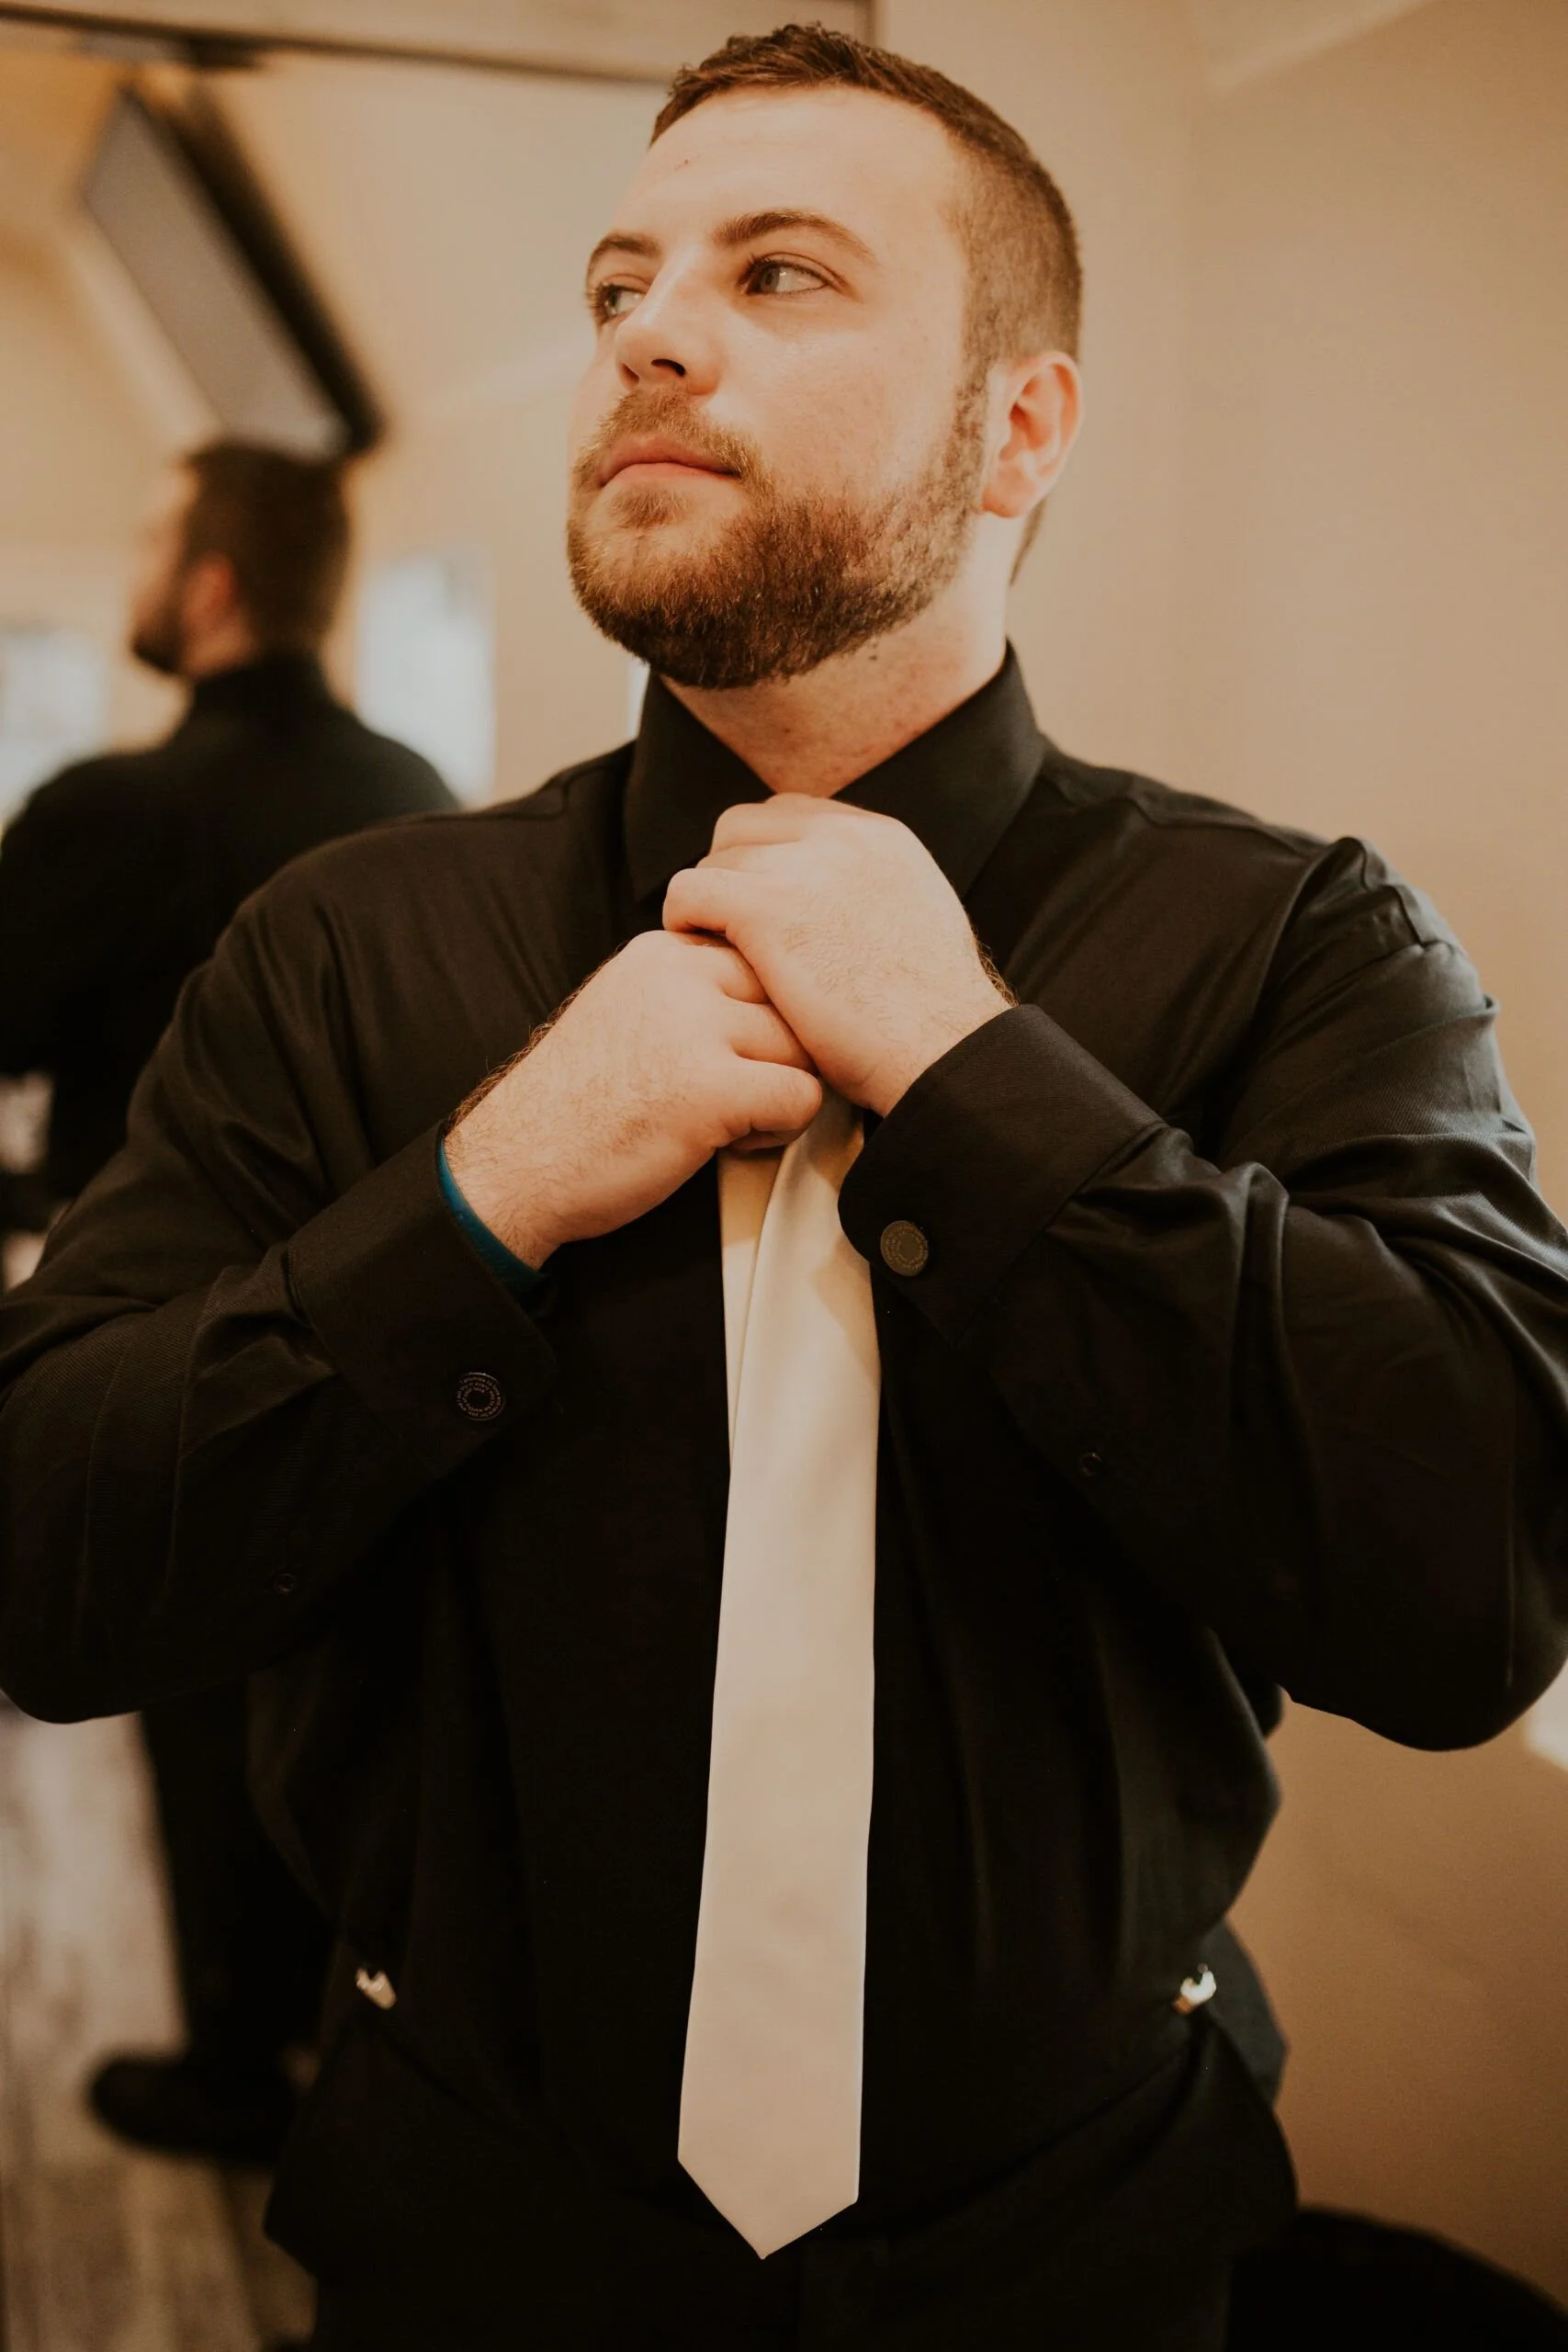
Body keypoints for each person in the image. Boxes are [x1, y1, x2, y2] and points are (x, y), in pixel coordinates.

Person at [0, 27, 1565, 2348]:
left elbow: (1478, 1586)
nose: (648, 330)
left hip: (1084, 2263)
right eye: (619, 281)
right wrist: (488, 1184)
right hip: (466, 2254)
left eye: (778, 272)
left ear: (1020, 428)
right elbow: (43, 1561)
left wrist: (976, 1078)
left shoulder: (1298, 944)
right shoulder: (342, 948)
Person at [0, 440, 455, 2164]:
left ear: (207, 586)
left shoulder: (108, 812)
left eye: (148, 538)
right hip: (412, 1311)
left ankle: (234, 2064)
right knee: (365, 1695)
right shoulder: (420, 793)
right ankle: (366, 2043)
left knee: (201, 1705)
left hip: (174, 1319)